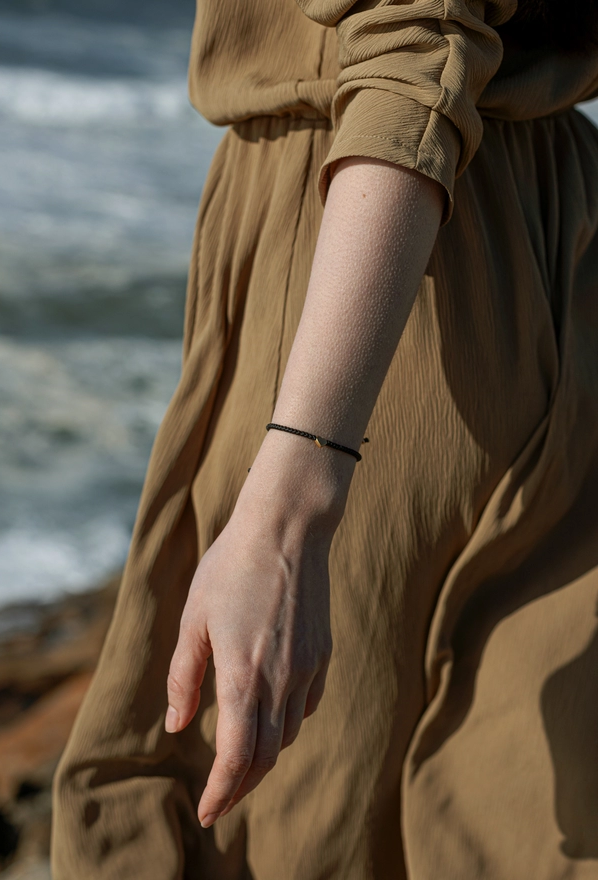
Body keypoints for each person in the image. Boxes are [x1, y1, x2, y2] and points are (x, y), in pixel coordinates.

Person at [51, 0, 598, 877]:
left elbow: (413, 42)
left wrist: (290, 503)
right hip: (551, 227)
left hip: (385, 248)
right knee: (512, 798)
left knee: (301, 818)